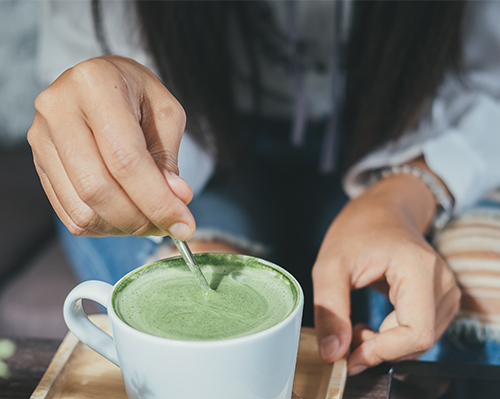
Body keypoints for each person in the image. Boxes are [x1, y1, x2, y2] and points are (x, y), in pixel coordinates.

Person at [28, 0, 500, 374]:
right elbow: (112, 123)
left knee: (423, 335)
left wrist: (400, 198)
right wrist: (110, 111)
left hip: (400, 132)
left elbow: (489, 81)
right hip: (203, 150)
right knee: (188, 334)